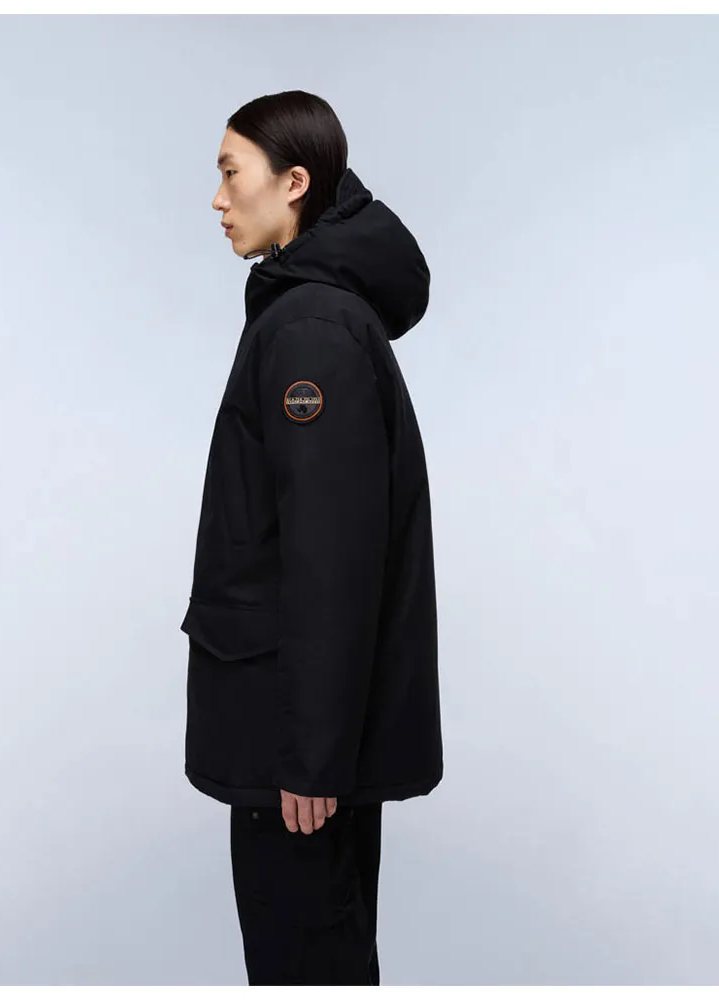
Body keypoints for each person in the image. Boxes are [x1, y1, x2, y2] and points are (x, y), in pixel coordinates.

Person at [180, 90, 443, 986]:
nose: (218, 199)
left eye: (231, 173)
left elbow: (332, 559)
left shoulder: (311, 333)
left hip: (293, 755)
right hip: (297, 738)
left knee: (306, 965)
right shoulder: (309, 315)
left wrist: (312, 761)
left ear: (294, 183)